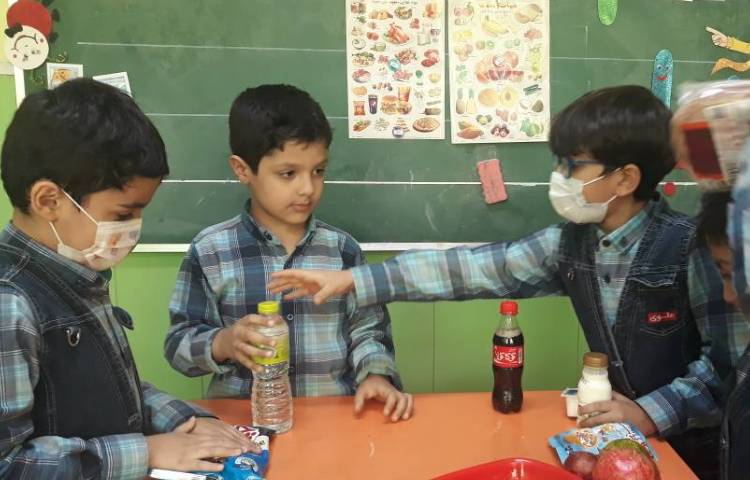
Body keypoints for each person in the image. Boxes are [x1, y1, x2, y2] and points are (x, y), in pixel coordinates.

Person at [0, 78, 254, 479]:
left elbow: (120, 389)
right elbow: (9, 463)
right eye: (123, 214)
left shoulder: (80, 273)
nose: (134, 229)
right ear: (49, 201)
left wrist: (185, 421)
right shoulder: (9, 302)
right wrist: (147, 451)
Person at [165, 84, 413, 422]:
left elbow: (369, 330)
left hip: (335, 422)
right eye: (288, 174)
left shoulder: (343, 249)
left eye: (318, 171)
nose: (308, 188)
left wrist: (375, 375)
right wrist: (224, 342)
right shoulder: (210, 251)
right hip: (246, 428)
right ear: (242, 169)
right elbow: (178, 345)